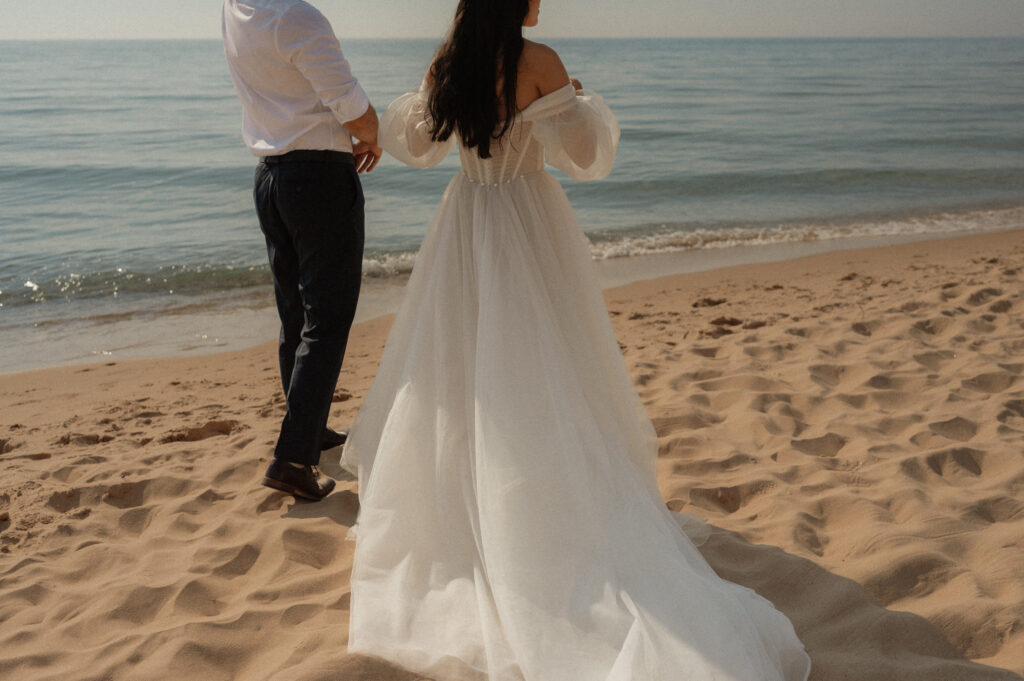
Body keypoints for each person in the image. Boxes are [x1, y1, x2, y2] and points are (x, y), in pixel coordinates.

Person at [341, 0, 812, 678]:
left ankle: (476, 509)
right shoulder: (539, 63)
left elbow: (419, 145)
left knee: (468, 376)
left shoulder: (451, 62)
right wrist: (580, 104)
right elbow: (587, 156)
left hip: (468, 218)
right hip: (528, 223)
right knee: (543, 369)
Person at [222, 0, 381, 501]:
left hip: (270, 176)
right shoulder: (296, 17)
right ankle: (293, 458)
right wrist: (371, 134)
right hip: (317, 178)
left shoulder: (237, 8)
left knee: (296, 315)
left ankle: (308, 431)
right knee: (328, 320)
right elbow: (351, 106)